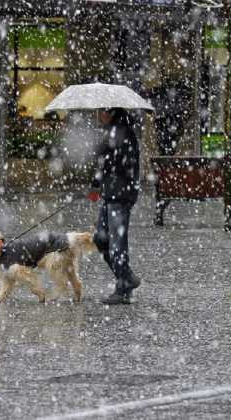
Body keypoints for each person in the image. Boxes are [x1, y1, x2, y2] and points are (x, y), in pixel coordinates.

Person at [87, 108, 141, 304]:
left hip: (120, 195)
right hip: (110, 193)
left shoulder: (123, 132)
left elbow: (119, 164)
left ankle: (123, 287)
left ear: (110, 112)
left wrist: (105, 157)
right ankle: (127, 277)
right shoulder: (112, 131)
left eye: (101, 111)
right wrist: (96, 184)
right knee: (101, 239)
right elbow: (104, 163)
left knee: (117, 243)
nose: (99, 114)